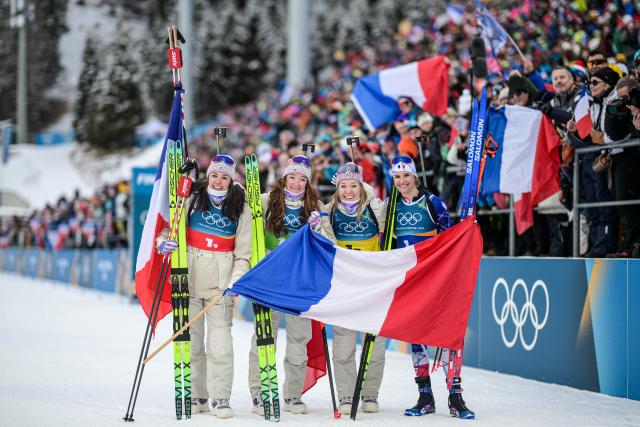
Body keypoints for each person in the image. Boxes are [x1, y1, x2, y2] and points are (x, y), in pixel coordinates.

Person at [155, 154, 252, 419]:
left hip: (220, 285)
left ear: (231, 180)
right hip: (187, 278)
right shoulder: (192, 197)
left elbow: (244, 253)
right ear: (207, 176)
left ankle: (220, 398)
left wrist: (237, 278)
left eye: (224, 177)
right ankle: (198, 394)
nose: (219, 181)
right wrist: (164, 243)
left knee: (220, 345)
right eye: (215, 175)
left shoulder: (240, 206)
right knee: (193, 343)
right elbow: (169, 230)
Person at [387, 155, 474, 420]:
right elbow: (388, 246)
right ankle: (425, 395)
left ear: (415, 176)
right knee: (417, 338)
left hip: (434, 280)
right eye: (397, 177)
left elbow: (450, 242)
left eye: (406, 176)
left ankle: (455, 396)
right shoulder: (391, 208)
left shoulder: (434, 203)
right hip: (409, 281)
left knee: (447, 336)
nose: (402, 181)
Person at [310, 162, 387, 416]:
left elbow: (391, 229)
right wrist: (317, 225)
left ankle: (369, 394)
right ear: (337, 188)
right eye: (343, 186)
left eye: (354, 185)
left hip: (372, 283)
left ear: (361, 186)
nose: (349, 191)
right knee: (343, 343)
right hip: (344, 284)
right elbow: (326, 243)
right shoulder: (329, 210)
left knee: (372, 343)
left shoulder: (375, 208)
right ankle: (346, 394)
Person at [248, 155, 321, 415]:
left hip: (298, 279)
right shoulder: (268, 200)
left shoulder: (314, 205)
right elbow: (243, 217)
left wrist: (319, 228)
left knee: (299, 338)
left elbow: (328, 241)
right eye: (293, 177)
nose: (297, 183)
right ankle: (259, 392)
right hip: (270, 275)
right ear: (284, 177)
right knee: (265, 335)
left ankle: (292, 394)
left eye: (303, 179)